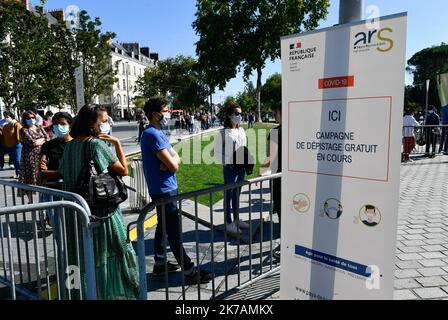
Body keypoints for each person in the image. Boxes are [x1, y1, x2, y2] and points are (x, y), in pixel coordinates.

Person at [59, 104, 139, 299]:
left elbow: (63, 172)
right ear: (92, 123)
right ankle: (111, 292)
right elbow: (123, 170)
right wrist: (117, 143)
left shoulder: (69, 145)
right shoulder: (96, 144)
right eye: (103, 121)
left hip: (75, 209)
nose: (106, 124)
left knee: (82, 252)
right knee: (113, 248)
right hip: (100, 211)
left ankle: (86, 293)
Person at [140, 97, 212, 284]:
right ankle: (189, 270)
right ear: (156, 114)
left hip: (164, 187)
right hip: (164, 189)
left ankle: (160, 262)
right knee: (173, 230)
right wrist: (170, 163)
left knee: (163, 226)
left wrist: (171, 163)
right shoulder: (153, 135)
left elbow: (176, 158)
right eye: (166, 110)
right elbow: (174, 164)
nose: (168, 113)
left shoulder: (156, 132)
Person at [214, 103, 250, 234]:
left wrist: (246, 160)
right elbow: (217, 153)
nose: (240, 116)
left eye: (241, 113)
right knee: (228, 195)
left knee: (237, 194)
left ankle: (236, 219)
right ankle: (228, 222)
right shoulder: (223, 133)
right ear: (229, 115)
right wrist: (229, 162)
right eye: (237, 114)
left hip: (241, 168)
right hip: (230, 169)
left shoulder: (242, 130)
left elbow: (244, 148)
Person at [39, 112, 73, 229]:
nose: (59, 127)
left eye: (62, 124)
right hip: (53, 191)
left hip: (74, 191)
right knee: (58, 228)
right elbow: (42, 171)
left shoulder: (77, 144)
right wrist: (62, 172)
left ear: (70, 125)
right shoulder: (47, 146)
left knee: (74, 227)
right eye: (55, 124)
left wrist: (55, 172)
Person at [259, 103, 282, 259]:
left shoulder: (275, 132)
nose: (275, 115)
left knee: (282, 212)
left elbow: (270, 157)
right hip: (297, 180)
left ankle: (285, 245)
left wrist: (260, 171)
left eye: (276, 112)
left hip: (279, 179)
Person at [19, 110, 49, 202]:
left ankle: (41, 200)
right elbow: (32, 142)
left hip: (41, 155)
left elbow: (47, 138)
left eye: (32, 118)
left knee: (41, 176)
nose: (31, 119)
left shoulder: (39, 127)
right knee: (30, 177)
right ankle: (31, 200)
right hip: (29, 157)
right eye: (28, 118)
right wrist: (40, 140)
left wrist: (39, 141)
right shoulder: (23, 130)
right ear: (24, 119)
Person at [1, 112, 22, 178]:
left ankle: (20, 174)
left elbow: (20, 135)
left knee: (17, 160)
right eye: (5, 117)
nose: (6, 118)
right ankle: (18, 173)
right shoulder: (6, 126)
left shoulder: (16, 124)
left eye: (7, 117)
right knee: (14, 161)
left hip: (17, 145)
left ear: (11, 117)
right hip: (8, 145)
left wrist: (19, 142)